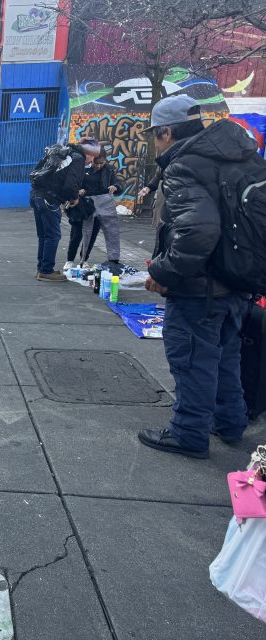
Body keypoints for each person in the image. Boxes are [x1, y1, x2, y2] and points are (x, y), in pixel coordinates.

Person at [138, 94, 263, 459]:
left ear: (166, 132)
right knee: (226, 355)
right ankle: (230, 422)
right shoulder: (240, 156)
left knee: (192, 359)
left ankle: (188, 431)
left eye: (155, 135)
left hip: (200, 288)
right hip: (237, 280)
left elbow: (198, 232)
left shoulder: (185, 165)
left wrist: (164, 272)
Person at [29, 138, 97, 282]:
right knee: (53, 235)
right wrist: (74, 198)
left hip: (36, 195)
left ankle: (42, 268)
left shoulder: (63, 153)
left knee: (44, 235)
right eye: (93, 156)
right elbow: (70, 185)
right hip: (50, 199)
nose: (92, 161)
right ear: (89, 153)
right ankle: (46, 271)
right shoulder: (78, 159)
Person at [76, 151, 123, 271]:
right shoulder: (84, 169)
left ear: (105, 161)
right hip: (88, 202)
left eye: (101, 163)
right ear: (92, 159)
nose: (98, 166)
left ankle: (113, 260)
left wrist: (116, 186)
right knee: (87, 233)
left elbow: (118, 182)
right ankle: (83, 259)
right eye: (96, 163)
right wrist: (79, 190)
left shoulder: (109, 169)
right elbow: (76, 182)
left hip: (105, 200)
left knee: (112, 231)